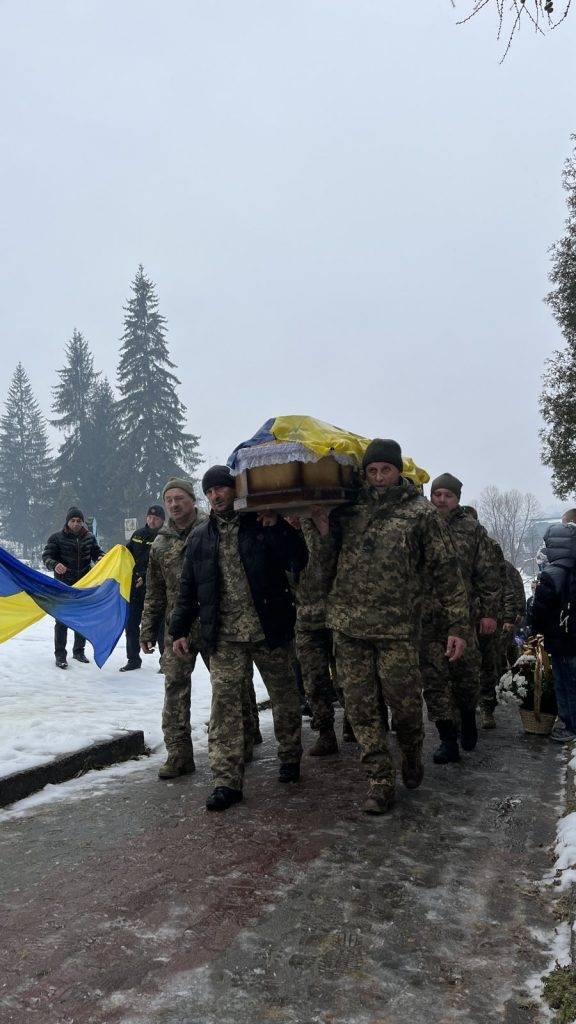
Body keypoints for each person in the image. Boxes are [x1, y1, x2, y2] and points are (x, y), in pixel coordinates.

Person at [311, 439, 470, 816]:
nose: (379, 477)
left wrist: (457, 626)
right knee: (361, 709)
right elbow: (322, 565)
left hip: (397, 629)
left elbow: (448, 574)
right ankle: (380, 780)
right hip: (349, 626)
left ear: (399, 472)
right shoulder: (348, 510)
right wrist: (319, 528)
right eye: (372, 470)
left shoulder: (420, 514)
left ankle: (411, 751)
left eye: (386, 470)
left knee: (405, 707)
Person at [171, 465, 308, 812]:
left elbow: (298, 559)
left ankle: (290, 755)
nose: (216, 496)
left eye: (222, 489)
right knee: (225, 707)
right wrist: (179, 629)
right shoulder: (200, 537)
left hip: (268, 628)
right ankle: (226, 781)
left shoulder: (260, 523)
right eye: (210, 492)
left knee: (284, 696)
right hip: (225, 636)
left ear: (235, 491)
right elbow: (188, 587)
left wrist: (277, 527)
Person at [421, 474, 500, 764]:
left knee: (466, 677)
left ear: (457, 499)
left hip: (463, 616)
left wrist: (489, 612)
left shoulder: (472, 529)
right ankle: (447, 739)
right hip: (428, 618)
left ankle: (468, 717)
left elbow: (488, 573)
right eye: (437, 494)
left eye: (447, 495)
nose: (441, 499)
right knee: (434, 680)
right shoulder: (422, 525)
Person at [139, 479, 208, 779]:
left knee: (232, 685)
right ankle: (179, 755)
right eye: (168, 500)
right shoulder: (160, 542)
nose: (173, 504)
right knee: (175, 688)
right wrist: (146, 628)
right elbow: (154, 591)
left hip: (214, 621)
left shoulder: (212, 529)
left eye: (179, 498)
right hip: (177, 627)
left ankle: (241, 740)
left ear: (192, 500)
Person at [292, 516, 340, 756]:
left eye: (294, 513)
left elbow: (324, 561)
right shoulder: (282, 534)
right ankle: (325, 733)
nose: (291, 518)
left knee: (347, 679)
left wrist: (314, 526)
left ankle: (355, 725)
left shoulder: (324, 528)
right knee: (314, 680)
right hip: (305, 620)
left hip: (337, 616)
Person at [530, 511, 576, 742]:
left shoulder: (552, 573)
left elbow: (540, 609)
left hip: (559, 639)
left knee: (565, 683)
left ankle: (570, 726)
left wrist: (535, 627)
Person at [42, 506, 105, 668]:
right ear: (67, 522)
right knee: (61, 621)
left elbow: (96, 552)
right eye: (73, 521)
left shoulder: (89, 537)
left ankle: (79, 652)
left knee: (81, 619)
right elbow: (47, 556)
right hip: (62, 586)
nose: (76, 523)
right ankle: (60, 655)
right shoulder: (56, 538)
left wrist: (101, 557)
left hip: (84, 585)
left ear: (83, 522)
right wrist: (55, 565)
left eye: (79, 521)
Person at [120, 504, 166, 672]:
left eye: (156, 518)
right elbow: (126, 554)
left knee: (161, 626)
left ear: (162, 520)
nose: (152, 520)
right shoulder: (138, 534)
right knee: (131, 624)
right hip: (136, 589)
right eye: (150, 517)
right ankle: (133, 659)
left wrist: (147, 579)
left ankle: (165, 662)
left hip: (157, 590)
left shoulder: (165, 536)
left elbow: (165, 564)